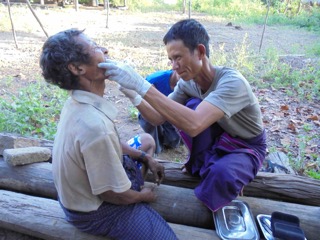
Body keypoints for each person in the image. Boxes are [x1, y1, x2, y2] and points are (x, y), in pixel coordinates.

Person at [98, 19, 267, 212]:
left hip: (247, 145)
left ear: (201, 52)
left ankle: (230, 171)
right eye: (171, 60)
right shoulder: (188, 83)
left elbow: (194, 124)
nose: (173, 66)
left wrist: (141, 85)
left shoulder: (232, 83)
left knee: (222, 174)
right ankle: (212, 164)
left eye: (178, 57)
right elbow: (157, 118)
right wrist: (133, 93)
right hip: (222, 136)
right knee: (191, 106)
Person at [39, 28, 177, 240]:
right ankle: (134, 199)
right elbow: (113, 194)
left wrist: (144, 156)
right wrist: (142, 196)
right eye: (95, 47)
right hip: (95, 212)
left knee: (147, 141)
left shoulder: (77, 103)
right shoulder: (95, 127)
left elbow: (107, 144)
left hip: (77, 196)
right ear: (77, 68)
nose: (105, 50)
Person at [137, 70, 181, 154]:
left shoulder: (192, 84)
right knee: (149, 117)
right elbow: (143, 104)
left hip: (171, 114)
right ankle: (154, 146)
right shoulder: (154, 80)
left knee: (172, 142)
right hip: (153, 111)